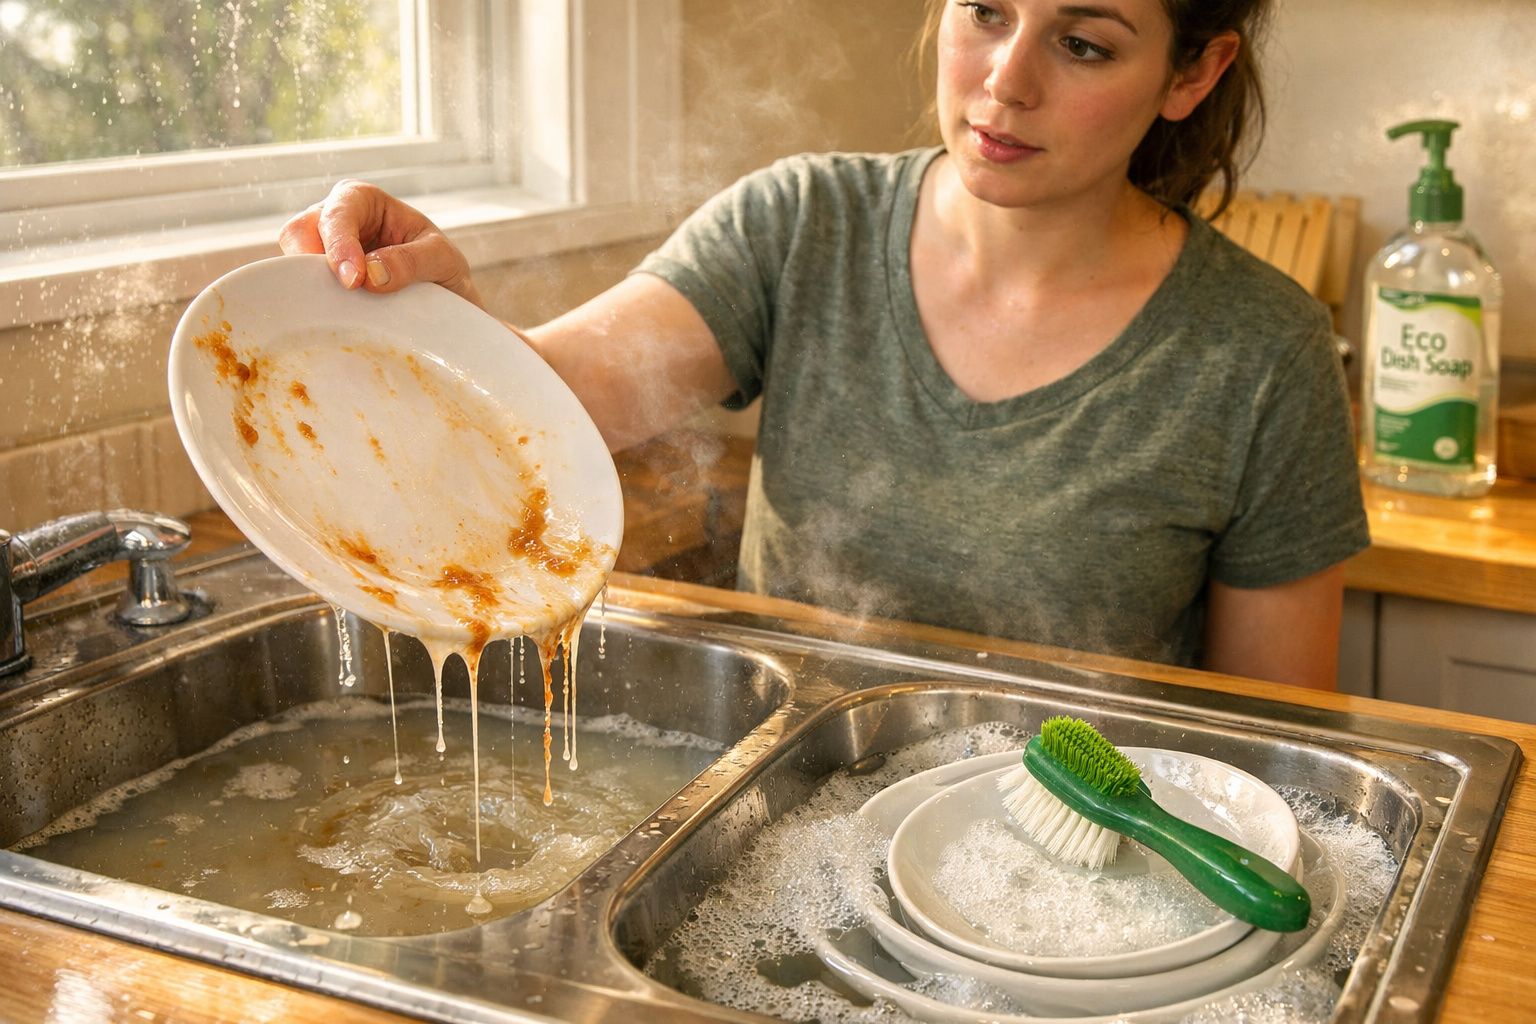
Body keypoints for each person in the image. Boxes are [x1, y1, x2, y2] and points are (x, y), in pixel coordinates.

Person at [278, 0, 1369, 690]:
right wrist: (435, 307)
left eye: (1082, 44)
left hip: (1077, 899)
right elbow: (543, 404)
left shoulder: (1262, 353)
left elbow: (1268, 743)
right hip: (781, 830)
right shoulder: (801, 224)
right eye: (985, 11)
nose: (1006, 81)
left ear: (1192, 73)